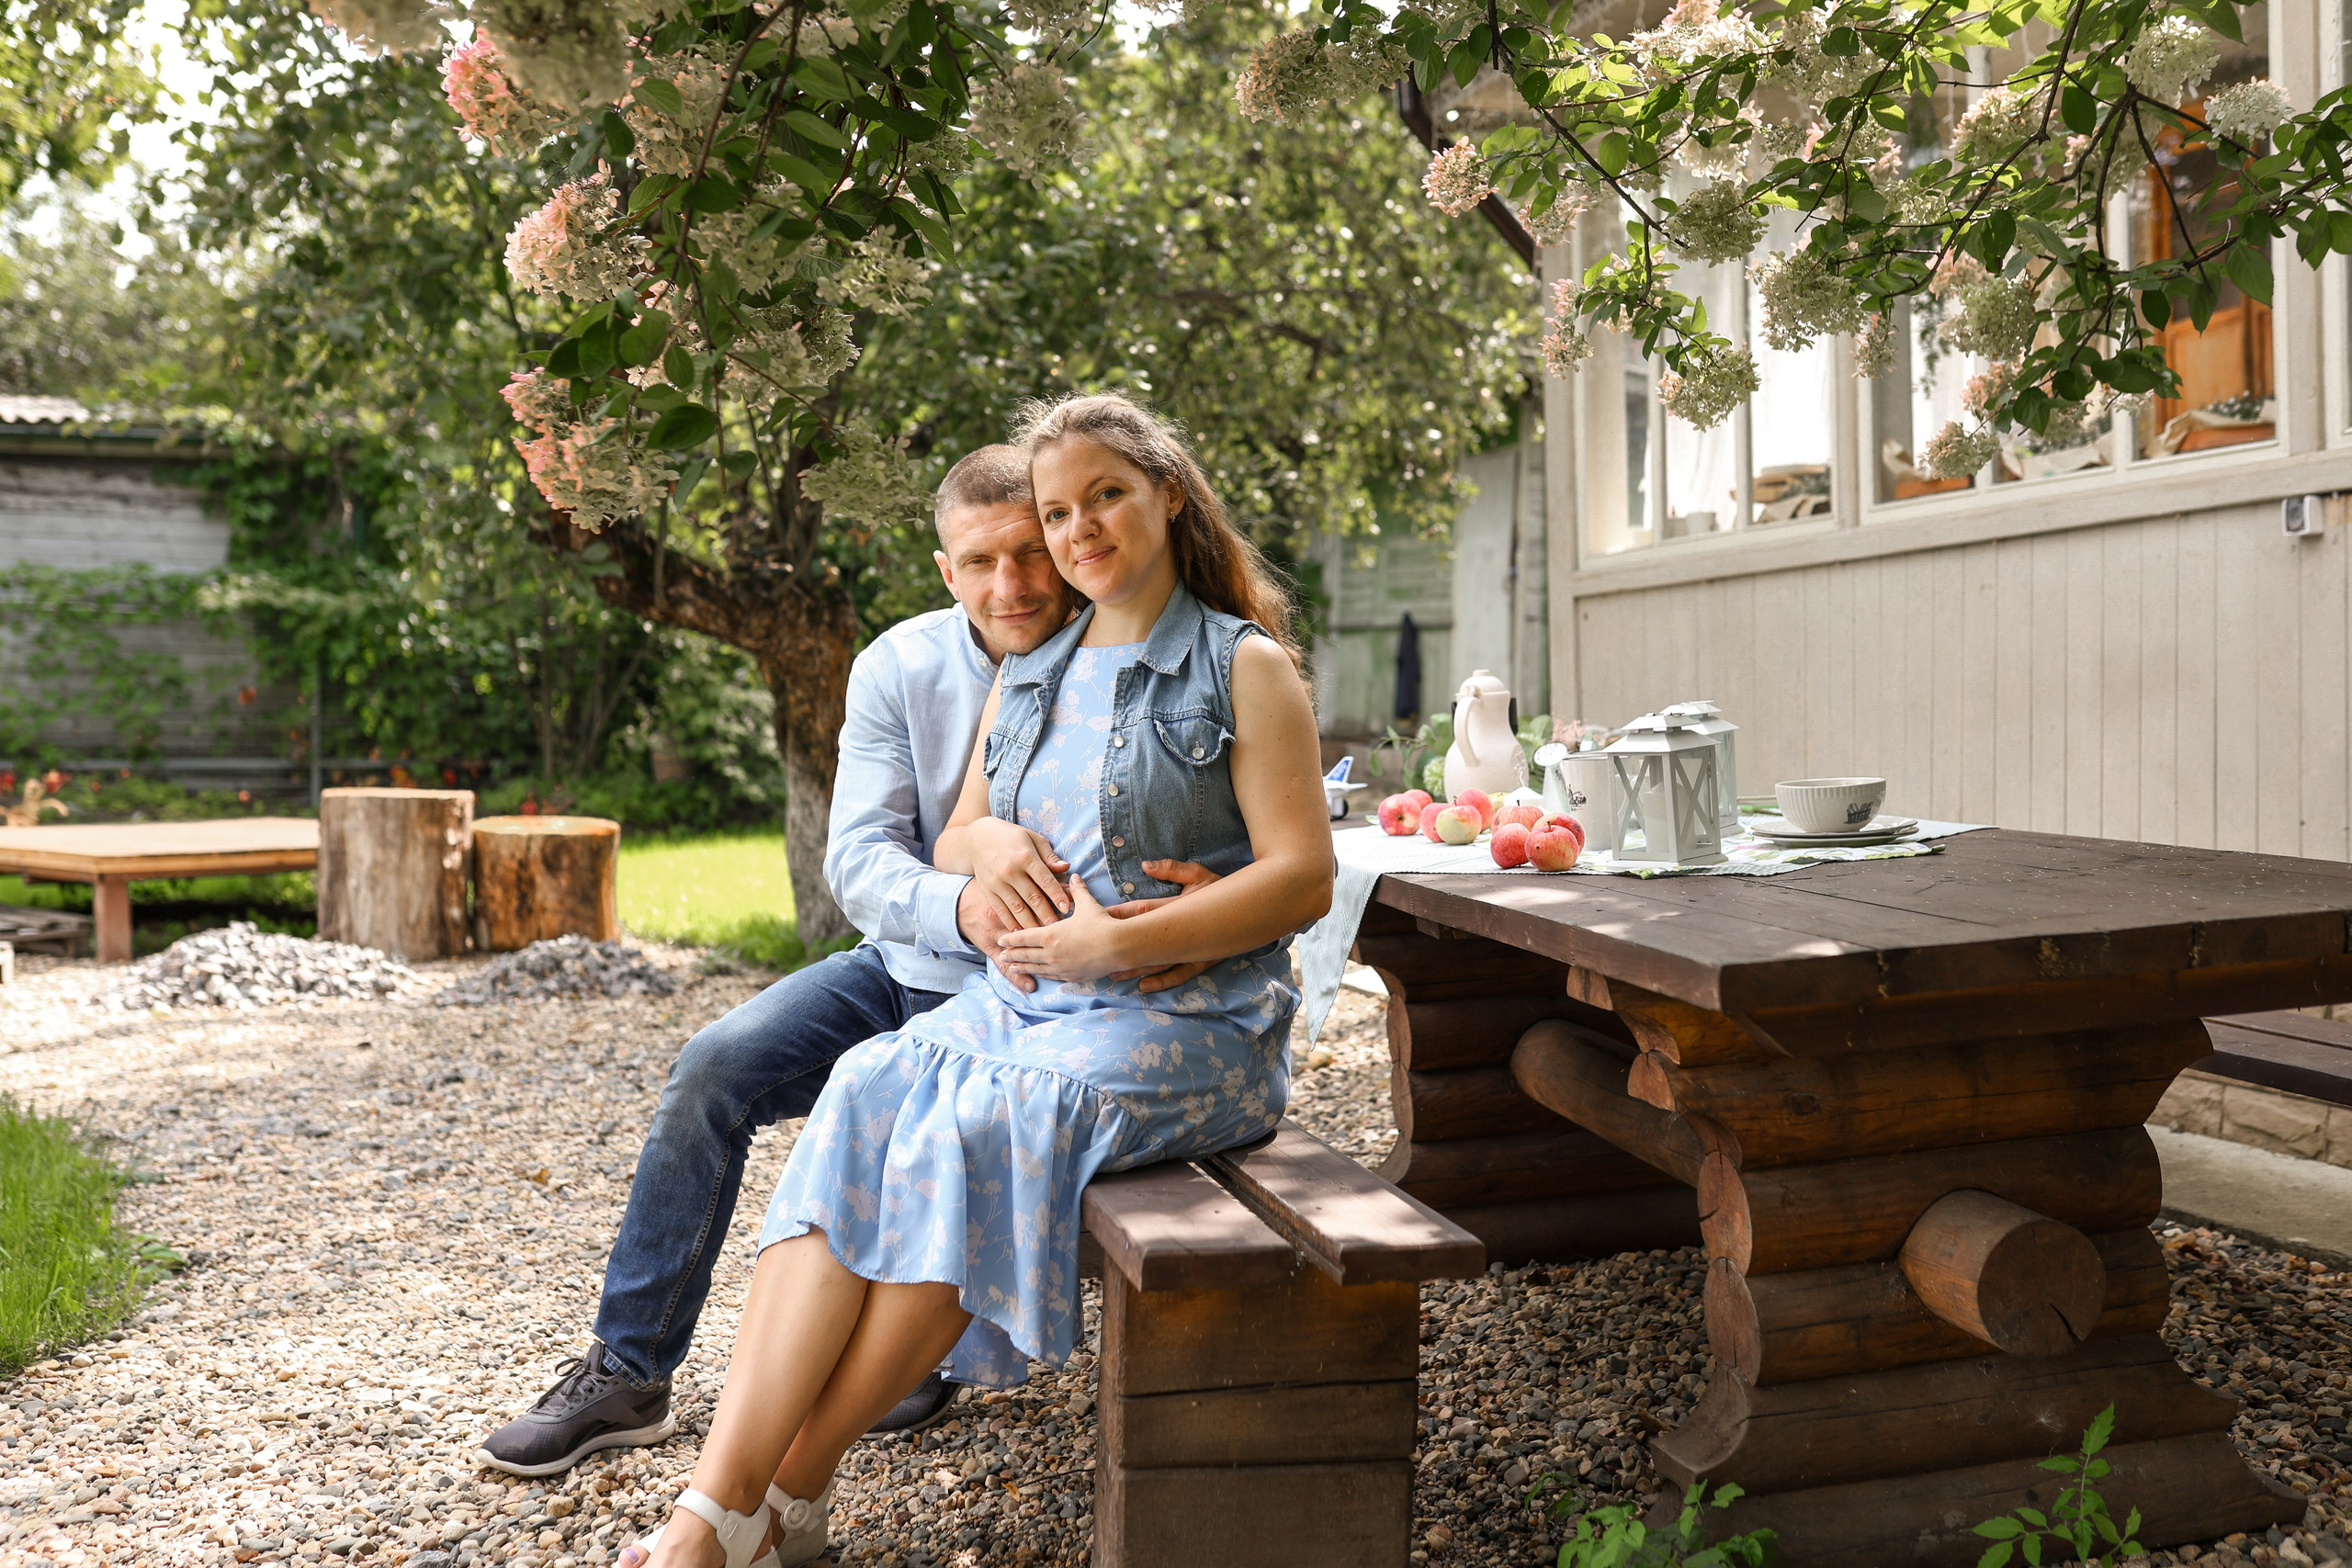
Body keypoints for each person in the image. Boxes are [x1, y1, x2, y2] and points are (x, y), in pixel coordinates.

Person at [619, 392, 1334, 1568]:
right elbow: (956, 834)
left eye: (1105, 494)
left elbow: (1303, 876)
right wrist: (988, 849)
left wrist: (1121, 943)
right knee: (862, 1090)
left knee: (984, 1124)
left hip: (1188, 1020)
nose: (1079, 528)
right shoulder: (1037, 663)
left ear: (1167, 493)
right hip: (1028, 1004)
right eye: (1059, 509)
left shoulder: (1239, 665)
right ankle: (716, 1502)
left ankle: (791, 1489)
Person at [476, 446, 1218, 1477]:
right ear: (942, 569)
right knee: (713, 1068)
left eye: (1028, 551)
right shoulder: (900, 666)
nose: (1011, 583)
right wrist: (964, 906)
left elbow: (1249, 819)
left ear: (1059, 541)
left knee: (921, 1106)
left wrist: (1202, 916)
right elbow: (858, 858)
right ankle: (628, 1369)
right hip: (915, 968)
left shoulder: (1141, 647)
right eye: (979, 561)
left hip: (1072, 1007)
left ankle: (900, 1342)